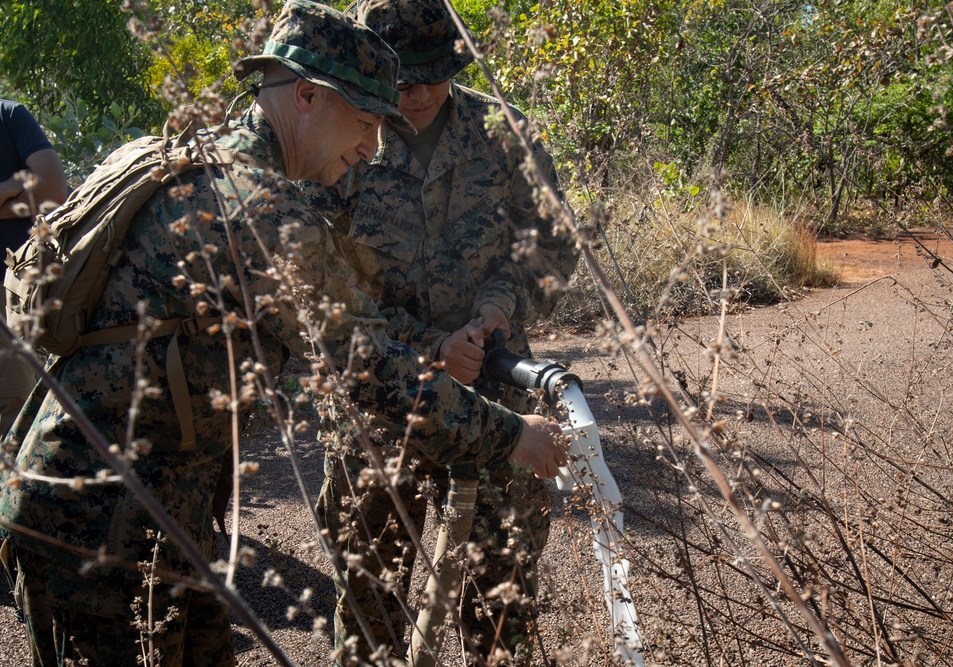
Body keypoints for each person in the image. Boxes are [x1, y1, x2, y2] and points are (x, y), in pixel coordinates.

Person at [0, 2, 565, 665]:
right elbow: (371, 366)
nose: (374, 147)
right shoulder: (258, 208)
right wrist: (510, 434)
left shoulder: (214, 163)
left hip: (163, 518)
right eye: (364, 121)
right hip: (94, 528)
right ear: (305, 96)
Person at [307, 0, 579, 663]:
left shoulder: (505, 133)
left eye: (433, 74)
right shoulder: (340, 137)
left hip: (495, 386)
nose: (417, 93)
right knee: (372, 598)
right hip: (378, 400)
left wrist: (499, 306)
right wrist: (428, 344)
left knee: (502, 598)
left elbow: (552, 240)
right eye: (401, 77)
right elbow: (320, 282)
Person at [0, 99, 67, 437]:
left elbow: (54, 190)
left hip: (11, 289)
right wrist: (16, 185)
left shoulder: (9, 115)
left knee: (14, 400)